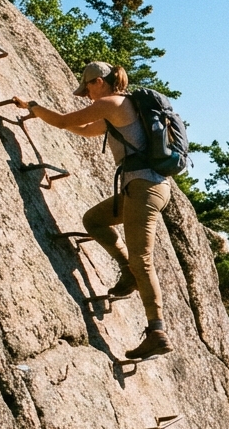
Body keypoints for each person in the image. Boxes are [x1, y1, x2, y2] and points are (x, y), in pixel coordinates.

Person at [13, 61, 172, 360]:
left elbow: (63, 121)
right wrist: (40, 114)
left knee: (143, 259)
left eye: (87, 88)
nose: (86, 95)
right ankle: (128, 273)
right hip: (144, 188)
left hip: (144, 189)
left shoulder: (113, 102)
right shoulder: (122, 110)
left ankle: (157, 332)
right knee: (95, 220)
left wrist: (34, 106)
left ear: (99, 81)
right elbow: (83, 130)